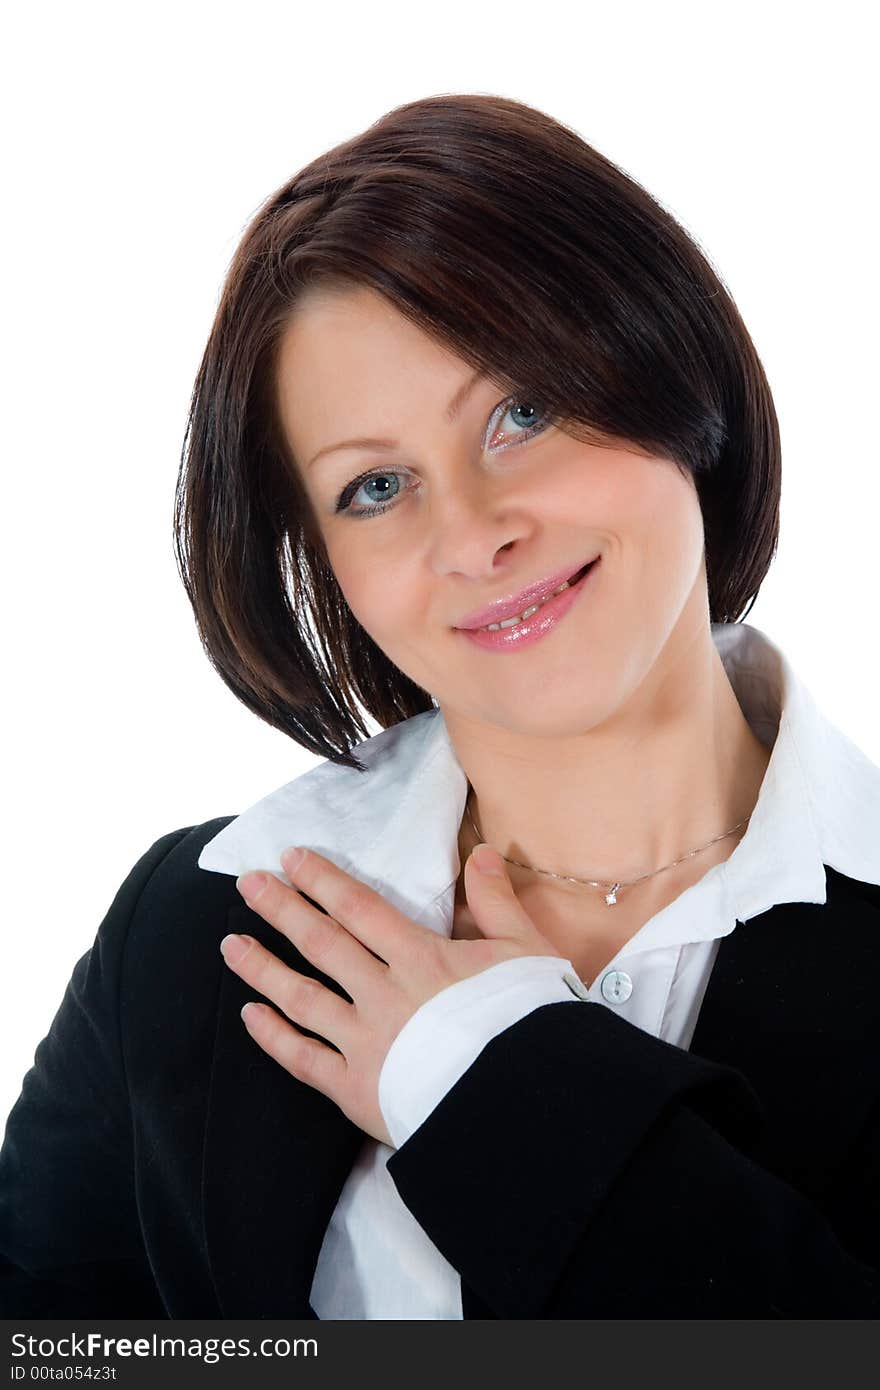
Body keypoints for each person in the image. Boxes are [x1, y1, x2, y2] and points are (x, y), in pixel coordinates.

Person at [2, 92, 879, 1320]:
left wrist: (496, 1085)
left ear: (672, 370)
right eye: (374, 486)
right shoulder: (189, 927)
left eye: (521, 412)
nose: (473, 533)